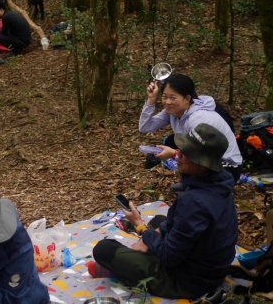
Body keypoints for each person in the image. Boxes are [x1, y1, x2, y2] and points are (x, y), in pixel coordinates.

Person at [91, 123, 238, 299]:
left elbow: (169, 256)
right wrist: (153, 236)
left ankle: (125, 268)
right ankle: (142, 250)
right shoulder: (218, 184)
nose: (178, 155)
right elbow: (179, 223)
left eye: (187, 154)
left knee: (104, 249)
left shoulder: (195, 202)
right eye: (180, 149)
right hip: (210, 265)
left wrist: (140, 228)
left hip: (188, 281)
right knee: (160, 221)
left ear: (203, 165)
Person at [139, 74, 242, 182]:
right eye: (164, 97)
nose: (167, 102)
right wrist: (151, 100)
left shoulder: (199, 118)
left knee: (185, 160)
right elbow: (145, 127)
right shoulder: (173, 111)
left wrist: (173, 154)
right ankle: (189, 185)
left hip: (227, 167)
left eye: (173, 97)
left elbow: (201, 158)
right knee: (172, 140)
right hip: (205, 160)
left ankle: (198, 189)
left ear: (187, 98)